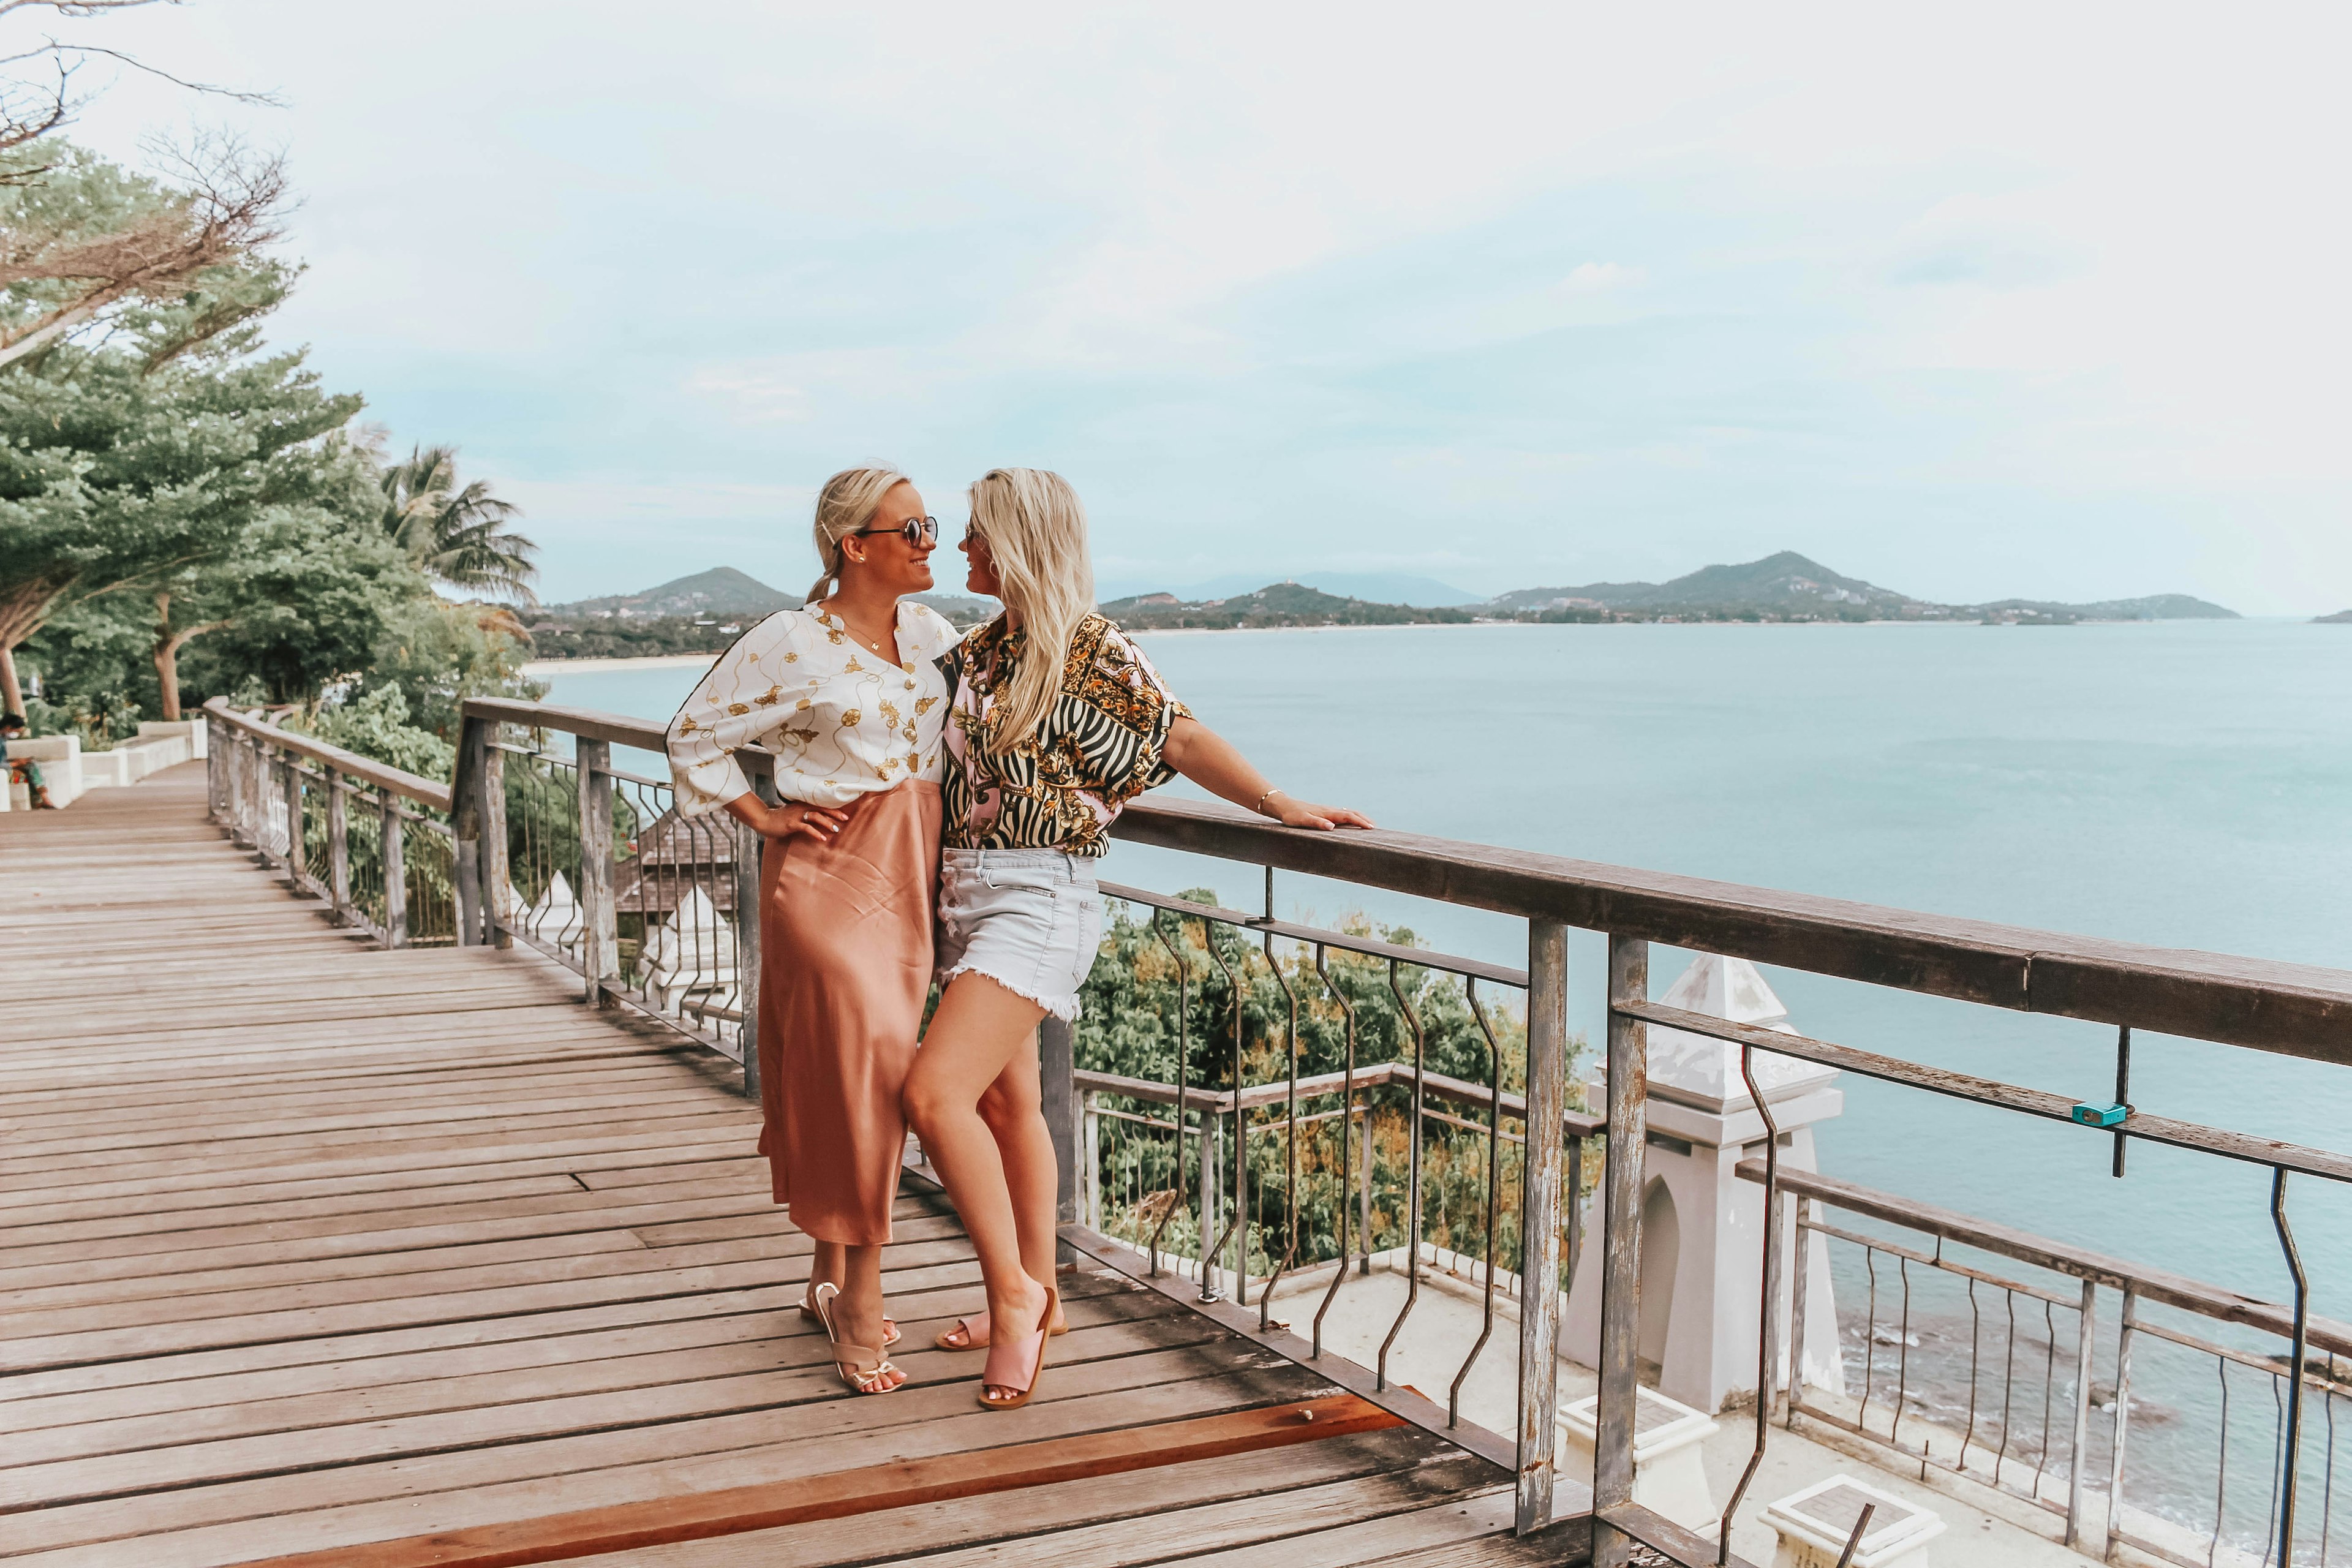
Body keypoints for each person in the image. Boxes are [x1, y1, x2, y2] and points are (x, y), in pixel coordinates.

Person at [903, 467, 1374, 1411]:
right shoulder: (980, 654)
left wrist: (1279, 804)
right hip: (966, 893)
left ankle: (1014, 1297)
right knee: (1005, 1110)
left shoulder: (1090, 649)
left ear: (1018, 542)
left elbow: (1179, 736)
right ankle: (1049, 1299)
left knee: (932, 1093)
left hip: (1039, 899)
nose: (961, 549)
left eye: (976, 536)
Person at [663, 467, 959, 1396]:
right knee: (871, 1074)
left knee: (849, 1076)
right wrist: (762, 817)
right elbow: (692, 735)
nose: (929, 543)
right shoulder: (790, 639)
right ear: (853, 544)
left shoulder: (936, 635)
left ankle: (825, 1275)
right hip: (828, 875)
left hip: (914, 872)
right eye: (910, 529)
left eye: (932, 525)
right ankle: (863, 1298)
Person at [1, 712, 54, 810]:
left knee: (31, 766)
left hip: (6, 767)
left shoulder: (3, 740)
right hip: (4, 770)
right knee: (28, 771)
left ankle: (41, 799)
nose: (16, 734)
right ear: (8, 727)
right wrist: (16, 764)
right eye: (16, 731)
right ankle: (43, 799)